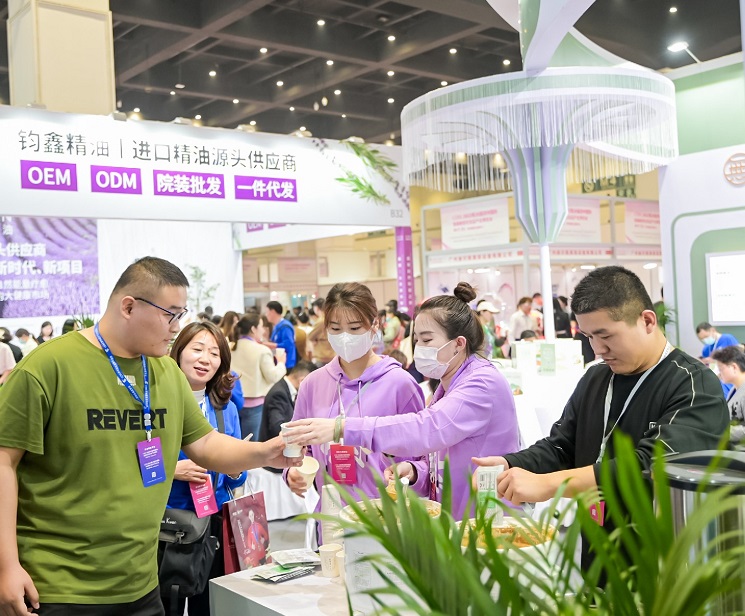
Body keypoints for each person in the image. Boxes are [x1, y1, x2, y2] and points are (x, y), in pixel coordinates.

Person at [0, 256, 300, 616]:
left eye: (181, 314)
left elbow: (205, 443)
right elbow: (4, 463)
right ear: (129, 306)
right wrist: (6, 566)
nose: (177, 326)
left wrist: (265, 453)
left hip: (141, 584)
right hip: (57, 585)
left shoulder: (165, 373)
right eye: (170, 314)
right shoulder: (48, 367)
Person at [472, 266, 728, 566]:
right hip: (596, 550)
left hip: (663, 559)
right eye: (589, 336)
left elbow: (649, 467)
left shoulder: (693, 385)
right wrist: (511, 464)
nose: (598, 349)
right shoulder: (596, 378)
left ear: (647, 321)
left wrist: (548, 484)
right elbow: (561, 445)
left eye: (606, 335)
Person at [287, 282, 519, 519]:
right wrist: (415, 473)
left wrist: (342, 428)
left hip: (484, 519)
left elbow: (426, 429)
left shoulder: (480, 383)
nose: (419, 349)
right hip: (449, 517)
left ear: (458, 343)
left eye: (427, 340)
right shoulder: (447, 387)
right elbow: (432, 459)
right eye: (416, 340)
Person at [284, 283, 428, 509]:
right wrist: (293, 471)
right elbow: (299, 446)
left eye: (354, 328)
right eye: (335, 328)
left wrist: (413, 473)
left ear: (374, 325)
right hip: (331, 516)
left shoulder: (400, 384)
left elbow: (424, 458)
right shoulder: (312, 384)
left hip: (387, 517)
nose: (345, 337)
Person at [163, 321, 246, 616]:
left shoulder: (226, 409)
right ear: (178, 352)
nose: (205, 359)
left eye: (214, 353)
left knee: (209, 605)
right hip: (167, 523)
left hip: (212, 522)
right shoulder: (156, 404)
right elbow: (136, 459)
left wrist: (235, 468)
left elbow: (237, 478)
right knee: (166, 604)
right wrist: (173, 469)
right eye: (197, 349)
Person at [231, 313, 287, 441]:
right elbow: (272, 376)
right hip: (254, 404)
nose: (263, 330)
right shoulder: (261, 350)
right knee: (252, 443)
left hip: (233, 400)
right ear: (253, 329)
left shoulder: (230, 346)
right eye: (261, 326)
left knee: (236, 441)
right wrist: (281, 363)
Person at [259, 361, 316, 457]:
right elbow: (277, 427)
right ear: (302, 381)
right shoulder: (278, 394)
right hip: (274, 455)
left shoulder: (286, 388)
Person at [711, 346, 745, 447]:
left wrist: (720, 431)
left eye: (721, 369)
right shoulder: (734, 390)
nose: (719, 373)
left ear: (734, 367)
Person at [696, 321, 739, 396]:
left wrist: (716, 360)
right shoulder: (706, 348)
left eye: (706, 337)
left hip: (729, 379)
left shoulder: (728, 339)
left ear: (713, 330)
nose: (705, 340)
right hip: (715, 379)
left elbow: (737, 358)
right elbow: (706, 364)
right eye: (702, 339)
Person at [265, 301, 297, 370]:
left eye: (267, 312)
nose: (266, 315)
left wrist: (270, 345)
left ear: (272, 312)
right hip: (279, 362)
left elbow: (289, 344)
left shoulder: (285, 326)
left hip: (287, 363)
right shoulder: (277, 326)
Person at [307, 299, 335, 367]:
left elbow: (310, 336)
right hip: (331, 352)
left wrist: (315, 339)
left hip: (323, 354)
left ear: (316, 308)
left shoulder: (321, 320)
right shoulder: (330, 317)